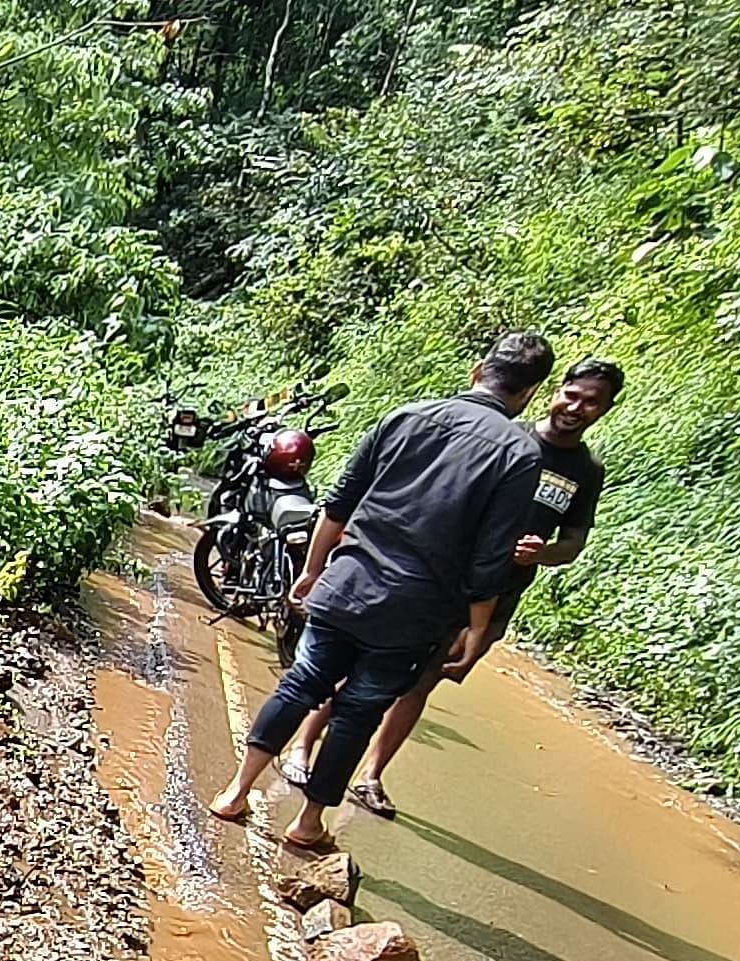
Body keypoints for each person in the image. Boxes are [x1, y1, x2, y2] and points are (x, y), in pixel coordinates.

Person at [205, 331, 555, 853]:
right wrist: (477, 626)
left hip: (348, 581)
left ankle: (236, 791)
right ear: (529, 394)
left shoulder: (405, 416)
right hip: (416, 609)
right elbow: (490, 552)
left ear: (478, 371)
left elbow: (340, 503)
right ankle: (307, 823)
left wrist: (312, 569)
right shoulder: (521, 454)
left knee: (300, 682)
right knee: (359, 710)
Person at [284, 357, 624, 817]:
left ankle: (371, 776)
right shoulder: (507, 436)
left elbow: (573, 543)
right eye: (573, 394)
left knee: (422, 683)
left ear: (606, 409)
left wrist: (540, 553)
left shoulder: (587, 470)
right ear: (553, 390)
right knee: (360, 666)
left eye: (592, 403)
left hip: (497, 594)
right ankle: (304, 747)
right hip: (437, 583)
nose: (577, 407)